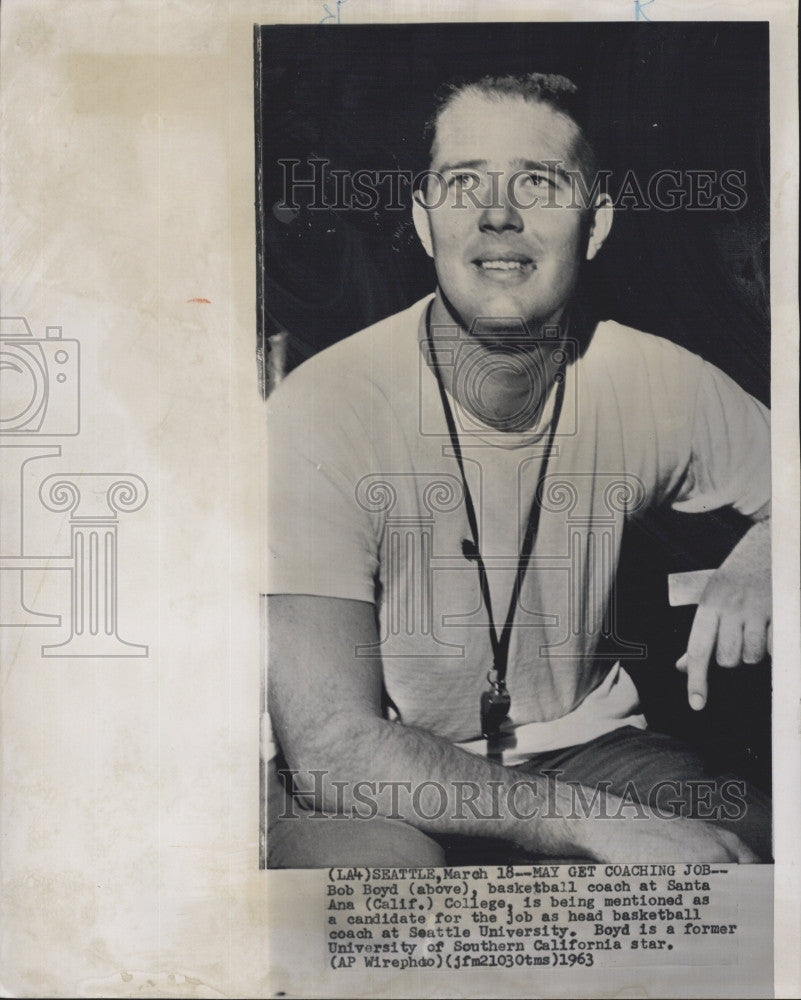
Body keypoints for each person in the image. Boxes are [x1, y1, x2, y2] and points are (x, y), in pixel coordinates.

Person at [263, 73, 772, 867]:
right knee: (381, 881)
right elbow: (332, 745)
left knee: (751, 852)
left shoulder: (651, 378)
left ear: (594, 224)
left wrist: (771, 549)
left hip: (585, 747)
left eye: (537, 182)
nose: (497, 213)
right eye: (463, 182)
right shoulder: (320, 409)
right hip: (382, 774)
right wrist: (595, 825)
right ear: (424, 222)